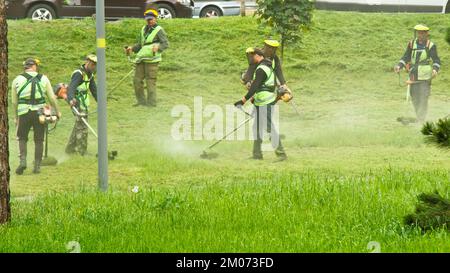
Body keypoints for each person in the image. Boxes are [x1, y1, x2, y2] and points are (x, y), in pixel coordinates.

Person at [234, 48, 287, 161]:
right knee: (257, 128)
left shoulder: (262, 69)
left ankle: (281, 154)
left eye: (251, 56)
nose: (250, 59)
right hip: (261, 101)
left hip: (265, 102)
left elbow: (255, 86)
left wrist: (243, 100)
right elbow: (260, 86)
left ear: (258, 55)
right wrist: (254, 98)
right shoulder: (264, 67)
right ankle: (257, 155)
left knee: (269, 128)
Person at [11, 58, 61, 174]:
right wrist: (57, 111)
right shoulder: (44, 78)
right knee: (39, 139)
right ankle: (37, 166)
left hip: (23, 112)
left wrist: (16, 116)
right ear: (33, 66)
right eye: (36, 66)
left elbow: (14, 102)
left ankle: (23, 161)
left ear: (25, 67)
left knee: (22, 138)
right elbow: (52, 98)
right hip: (40, 113)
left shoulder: (17, 80)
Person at [394, 24, 441, 123]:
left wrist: (435, 69)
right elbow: (406, 57)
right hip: (413, 75)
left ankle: (421, 119)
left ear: (426, 34)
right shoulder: (411, 44)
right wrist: (399, 65)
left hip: (425, 77)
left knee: (423, 97)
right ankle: (420, 117)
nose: (420, 35)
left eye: (422, 33)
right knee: (414, 96)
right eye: (418, 32)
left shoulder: (431, 45)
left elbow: (436, 60)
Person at [125, 8, 169, 107]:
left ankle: (151, 103)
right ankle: (141, 102)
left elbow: (165, 43)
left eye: (151, 19)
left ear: (155, 19)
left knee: (150, 81)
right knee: (137, 80)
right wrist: (132, 48)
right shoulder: (143, 29)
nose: (149, 21)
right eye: (147, 19)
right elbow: (141, 45)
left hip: (153, 60)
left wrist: (158, 48)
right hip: (141, 59)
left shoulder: (159, 30)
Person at [65, 54, 98, 155]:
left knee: (79, 125)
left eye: (95, 66)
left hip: (84, 103)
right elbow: (71, 88)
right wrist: (71, 99)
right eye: (93, 65)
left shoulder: (90, 75)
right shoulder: (78, 74)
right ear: (87, 62)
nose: (94, 67)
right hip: (76, 102)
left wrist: (100, 101)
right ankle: (82, 151)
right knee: (82, 126)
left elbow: (94, 90)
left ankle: (70, 149)